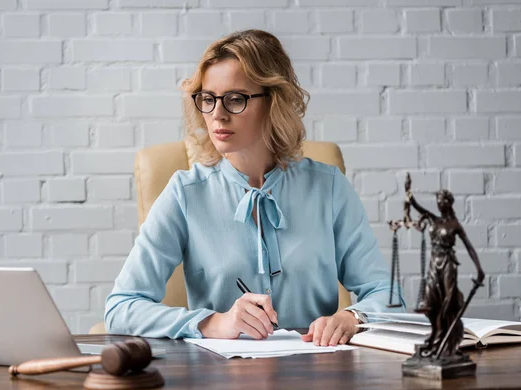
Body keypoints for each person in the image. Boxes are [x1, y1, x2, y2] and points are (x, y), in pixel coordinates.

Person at [105, 29, 404, 346]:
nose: (217, 114)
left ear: (273, 101)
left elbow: (387, 296)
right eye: (208, 99)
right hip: (219, 380)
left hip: (318, 374)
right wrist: (213, 322)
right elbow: (121, 307)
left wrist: (352, 318)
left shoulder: (329, 187)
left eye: (235, 99)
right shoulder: (184, 193)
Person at [405, 186, 485, 358]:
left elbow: (469, 247)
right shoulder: (433, 219)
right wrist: (408, 193)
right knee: (431, 301)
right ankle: (435, 334)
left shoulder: (454, 224)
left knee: (448, 301)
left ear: (449, 203)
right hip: (434, 264)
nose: (439, 203)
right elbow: (416, 206)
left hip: (448, 263)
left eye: (442, 201)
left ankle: (445, 339)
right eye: (438, 201)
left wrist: (479, 269)